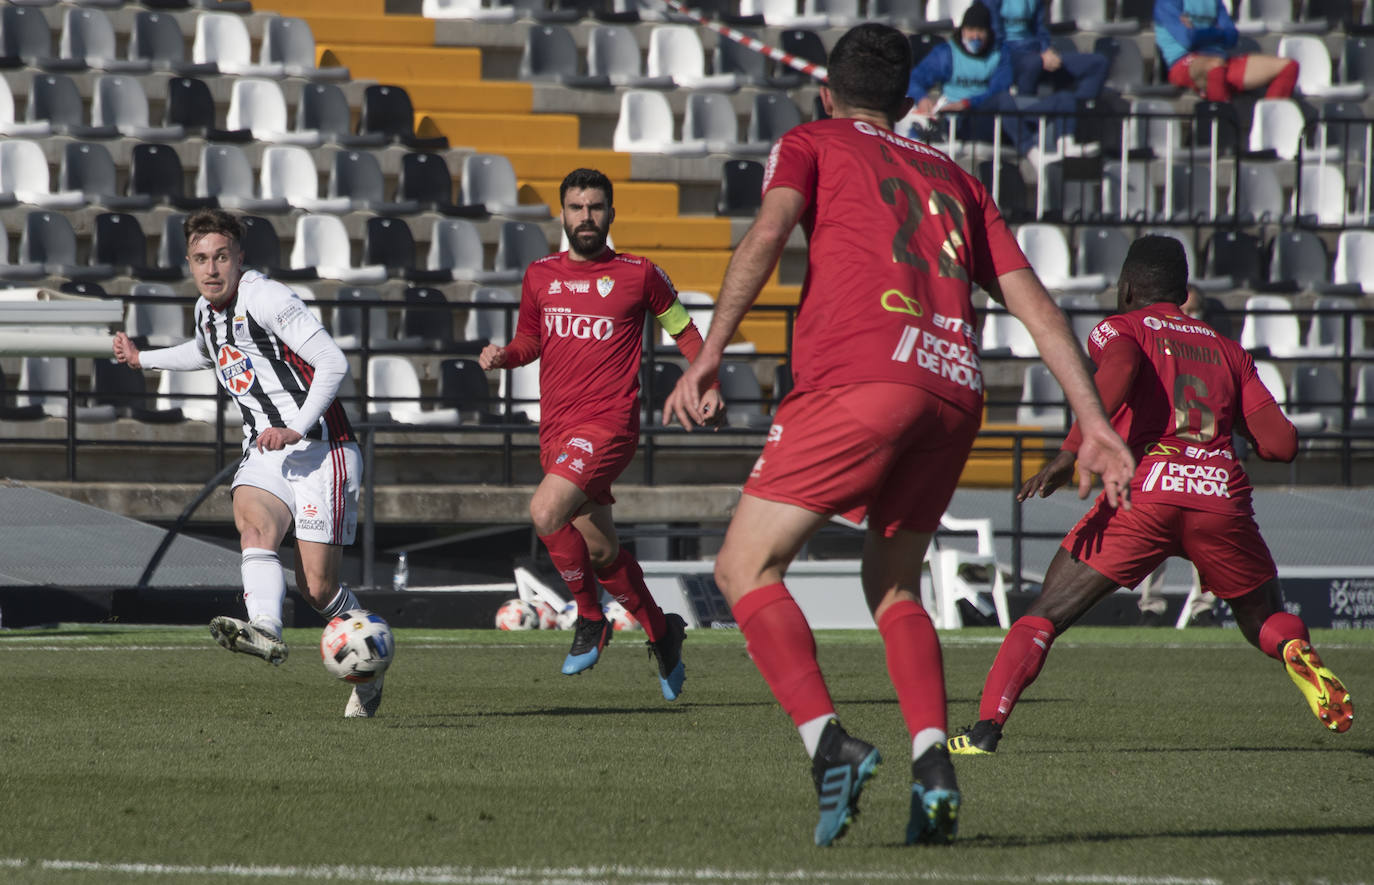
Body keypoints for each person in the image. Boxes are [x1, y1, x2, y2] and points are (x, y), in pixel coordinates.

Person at [665, 22, 1135, 847]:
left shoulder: (810, 140)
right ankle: (932, 765)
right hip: (954, 389)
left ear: (827, 93)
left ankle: (829, 746)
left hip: (861, 377)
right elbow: (1035, 305)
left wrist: (706, 352)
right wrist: (1092, 421)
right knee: (893, 582)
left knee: (744, 565)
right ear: (907, 97)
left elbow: (769, 234)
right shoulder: (956, 176)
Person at [948, 235, 1354, 756]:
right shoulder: (1229, 352)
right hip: (1218, 495)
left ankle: (984, 732)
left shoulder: (1121, 327)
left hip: (1148, 492)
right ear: (1185, 291)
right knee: (1264, 622)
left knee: (1045, 613)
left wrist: (1072, 450)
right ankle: (1296, 649)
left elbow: (1118, 370)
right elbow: (1282, 444)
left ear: (1126, 288)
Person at [112, 209, 377, 718]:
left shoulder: (267, 297)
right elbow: (207, 352)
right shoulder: (205, 311)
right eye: (200, 259)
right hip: (266, 449)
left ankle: (368, 656)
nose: (211, 269)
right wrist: (142, 360)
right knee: (254, 526)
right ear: (190, 263)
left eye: (221, 257)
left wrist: (297, 426)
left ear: (239, 258)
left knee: (319, 589)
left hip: (323, 449)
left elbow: (333, 362)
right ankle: (265, 630)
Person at [478, 168, 721, 701]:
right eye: (576, 208)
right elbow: (528, 342)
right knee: (601, 549)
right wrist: (503, 357)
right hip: (558, 430)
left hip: (609, 425)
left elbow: (684, 328)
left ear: (611, 214)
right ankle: (663, 631)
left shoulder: (639, 273)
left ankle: (591, 619)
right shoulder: (540, 275)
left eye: (594, 208)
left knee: (545, 513)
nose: (585, 217)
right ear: (562, 215)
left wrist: (706, 382)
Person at [1135, 285, 1216, 627]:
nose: (1191, 318)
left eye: (1197, 311)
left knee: (1204, 533)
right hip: (1163, 452)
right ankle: (1150, 606)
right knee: (1155, 529)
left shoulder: (1216, 352)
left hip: (1202, 453)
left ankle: (1204, 607)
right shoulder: (1155, 351)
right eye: (1187, 310)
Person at [908, 2, 1081, 154]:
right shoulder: (946, 54)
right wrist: (922, 98)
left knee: (1064, 99)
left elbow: (998, 89)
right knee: (1005, 102)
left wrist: (968, 103)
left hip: (992, 115)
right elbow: (913, 80)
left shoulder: (1000, 54)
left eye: (980, 31)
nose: (975, 37)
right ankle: (1031, 151)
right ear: (962, 31)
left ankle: (1066, 145)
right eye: (970, 30)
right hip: (961, 123)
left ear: (989, 32)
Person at [1154, 0, 1299, 102]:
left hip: (1220, 59)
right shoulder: (1167, 2)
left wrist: (1198, 31)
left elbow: (1232, 36)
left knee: (1288, 66)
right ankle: (1222, 131)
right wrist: (1217, 32)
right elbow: (1188, 40)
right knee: (1214, 66)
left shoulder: (1215, 2)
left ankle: (1269, 124)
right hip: (1183, 63)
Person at [986, 0, 1109, 101]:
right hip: (1007, 57)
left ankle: (1070, 115)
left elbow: (1041, 30)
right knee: (1033, 63)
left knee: (1098, 63)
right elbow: (993, 40)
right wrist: (1039, 57)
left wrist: (1046, 50)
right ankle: (1025, 121)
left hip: (1036, 54)